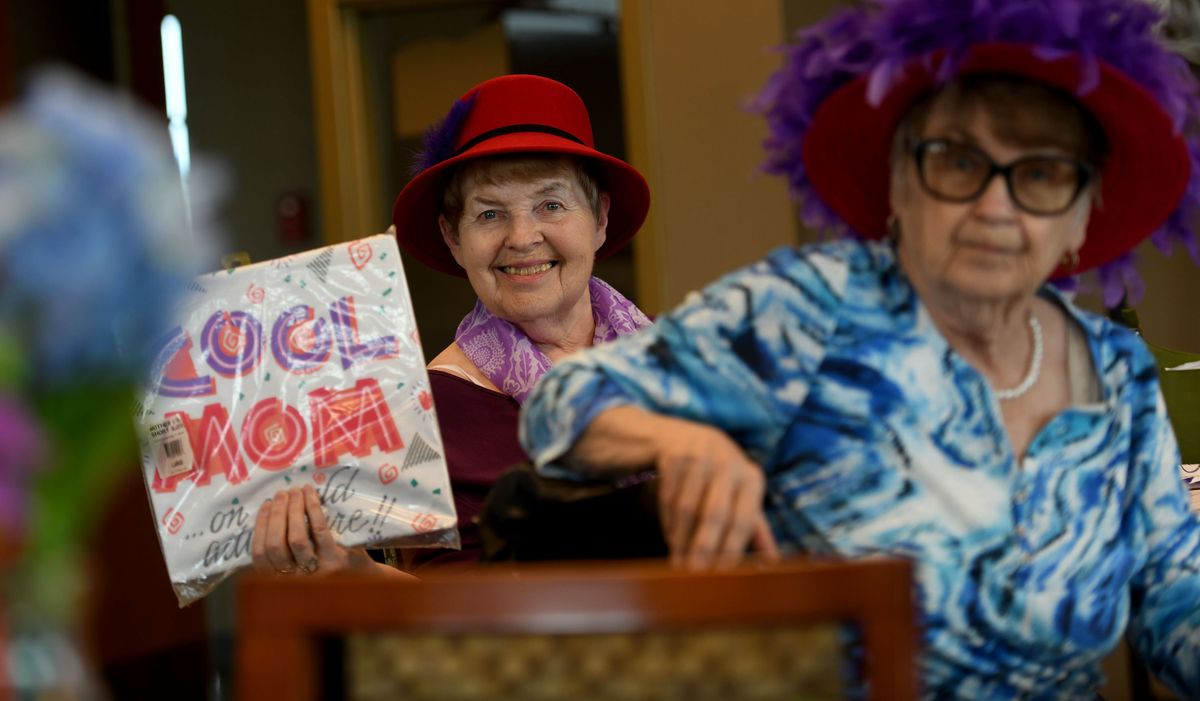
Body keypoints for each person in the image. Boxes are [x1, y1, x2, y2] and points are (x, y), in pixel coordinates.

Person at [518, 0, 1200, 697]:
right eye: (959, 162)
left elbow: (1177, 591)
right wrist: (674, 439)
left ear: (1083, 216)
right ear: (897, 183)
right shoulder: (809, 310)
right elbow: (560, 404)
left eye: (1043, 173)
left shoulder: (1116, 370)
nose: (997, 207)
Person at [250, 74, 651, 576]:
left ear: (599, 218)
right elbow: (448, 608)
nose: (523, 238)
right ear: (453, 238)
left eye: (551, 204)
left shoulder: (685, 360)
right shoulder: (433, 407)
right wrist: (355, 573)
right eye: (489, 215)